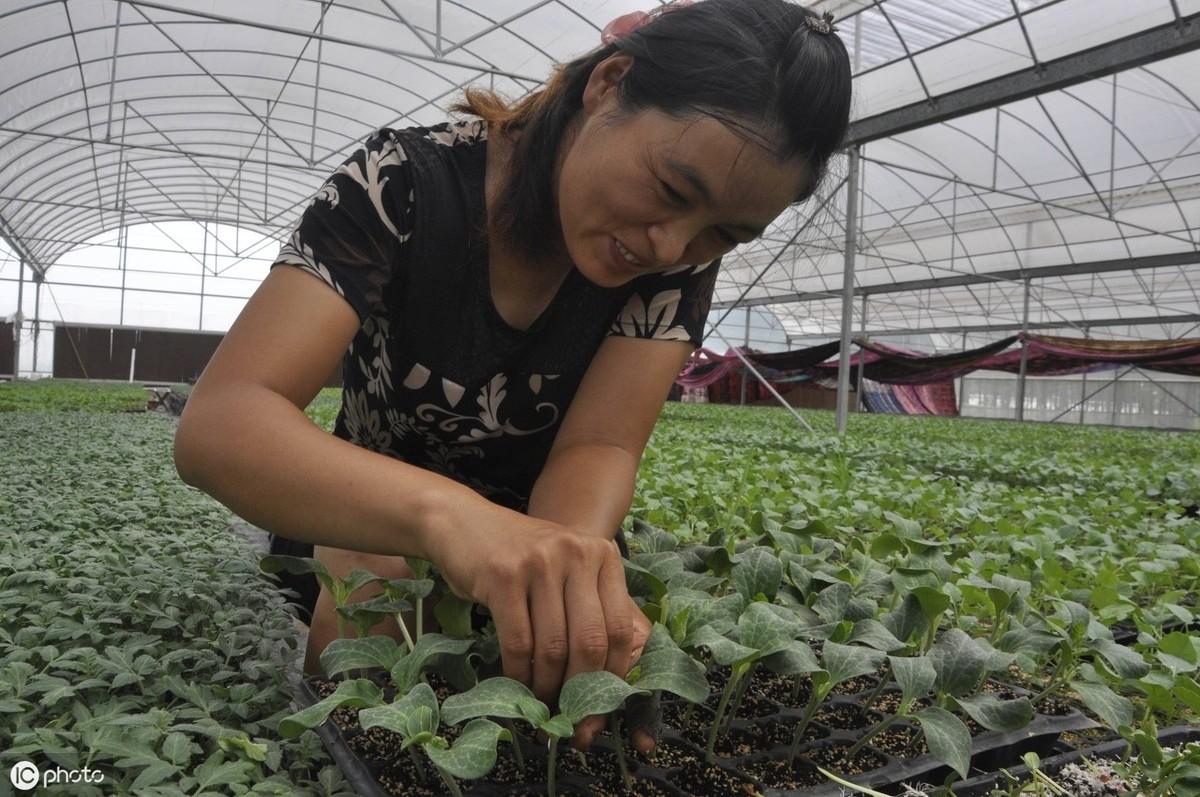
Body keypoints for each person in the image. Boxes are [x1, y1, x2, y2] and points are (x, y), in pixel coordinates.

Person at [174, 0, 851, 757]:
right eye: (670, 189)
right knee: (378, 613)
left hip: (545, 521)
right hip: (371, 511)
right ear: (610, 84)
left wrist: (556, 572)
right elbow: (224, 421)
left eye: (724, 233)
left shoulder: (675, 259)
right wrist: (452, 519)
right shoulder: (402, 184)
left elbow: (597, 445)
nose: (673, 244)